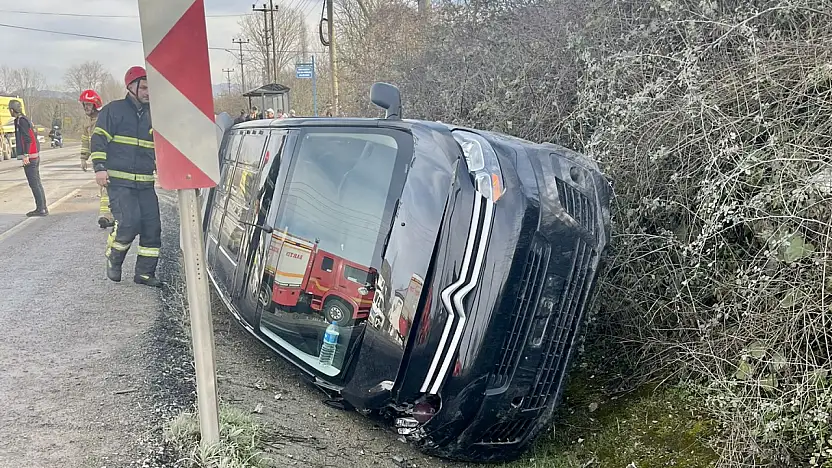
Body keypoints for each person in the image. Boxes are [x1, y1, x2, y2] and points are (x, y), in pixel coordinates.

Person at [90, 66, 162, 288]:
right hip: (119, 182)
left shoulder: (156, 113)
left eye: (151, 87)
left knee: (152, 228)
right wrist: (99, 168)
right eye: (144, 87)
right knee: (129, 223)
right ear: (131, 87)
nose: (149, 92)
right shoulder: (114, 110)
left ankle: (145, 273)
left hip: (145, 182)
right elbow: (99, 139)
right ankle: (114, 256)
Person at [79, 89, 113, 228]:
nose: (86, 107)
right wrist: (83, 158)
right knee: (105, 187)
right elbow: (86, 141)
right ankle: (109, 215)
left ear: (96, 105)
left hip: (108, 158)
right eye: (85, 104)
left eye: (89, 104)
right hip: (98, 160)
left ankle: (107, 216)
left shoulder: (104, 119)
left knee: (107, 186)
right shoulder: (87, 124)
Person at [10, 100, 47, 217]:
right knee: (37, 183)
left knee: (34, 184)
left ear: (12, 110)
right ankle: (42, 207)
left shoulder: (21, 121)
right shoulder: (24, 119)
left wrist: (25, 155)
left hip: (30, 157)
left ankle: (41, 209)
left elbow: (27, 139)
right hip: (34, 155)